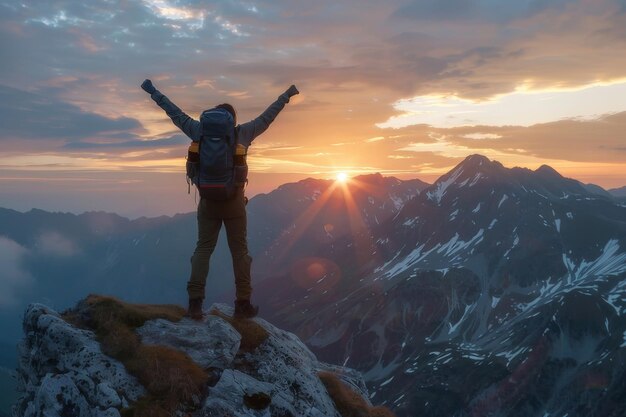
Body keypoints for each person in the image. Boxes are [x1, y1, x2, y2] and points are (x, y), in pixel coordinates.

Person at [141, 79, 299, 319]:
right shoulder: (241, 134)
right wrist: (286, 96)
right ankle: (242, 304)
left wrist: (153, 91)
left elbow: (173, 112)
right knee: (240, 253)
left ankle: (195, 304)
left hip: (207, 203)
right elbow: (268, 117)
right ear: (231, 121)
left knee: (203, 250)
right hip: (235, 203)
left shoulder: (197, 131)